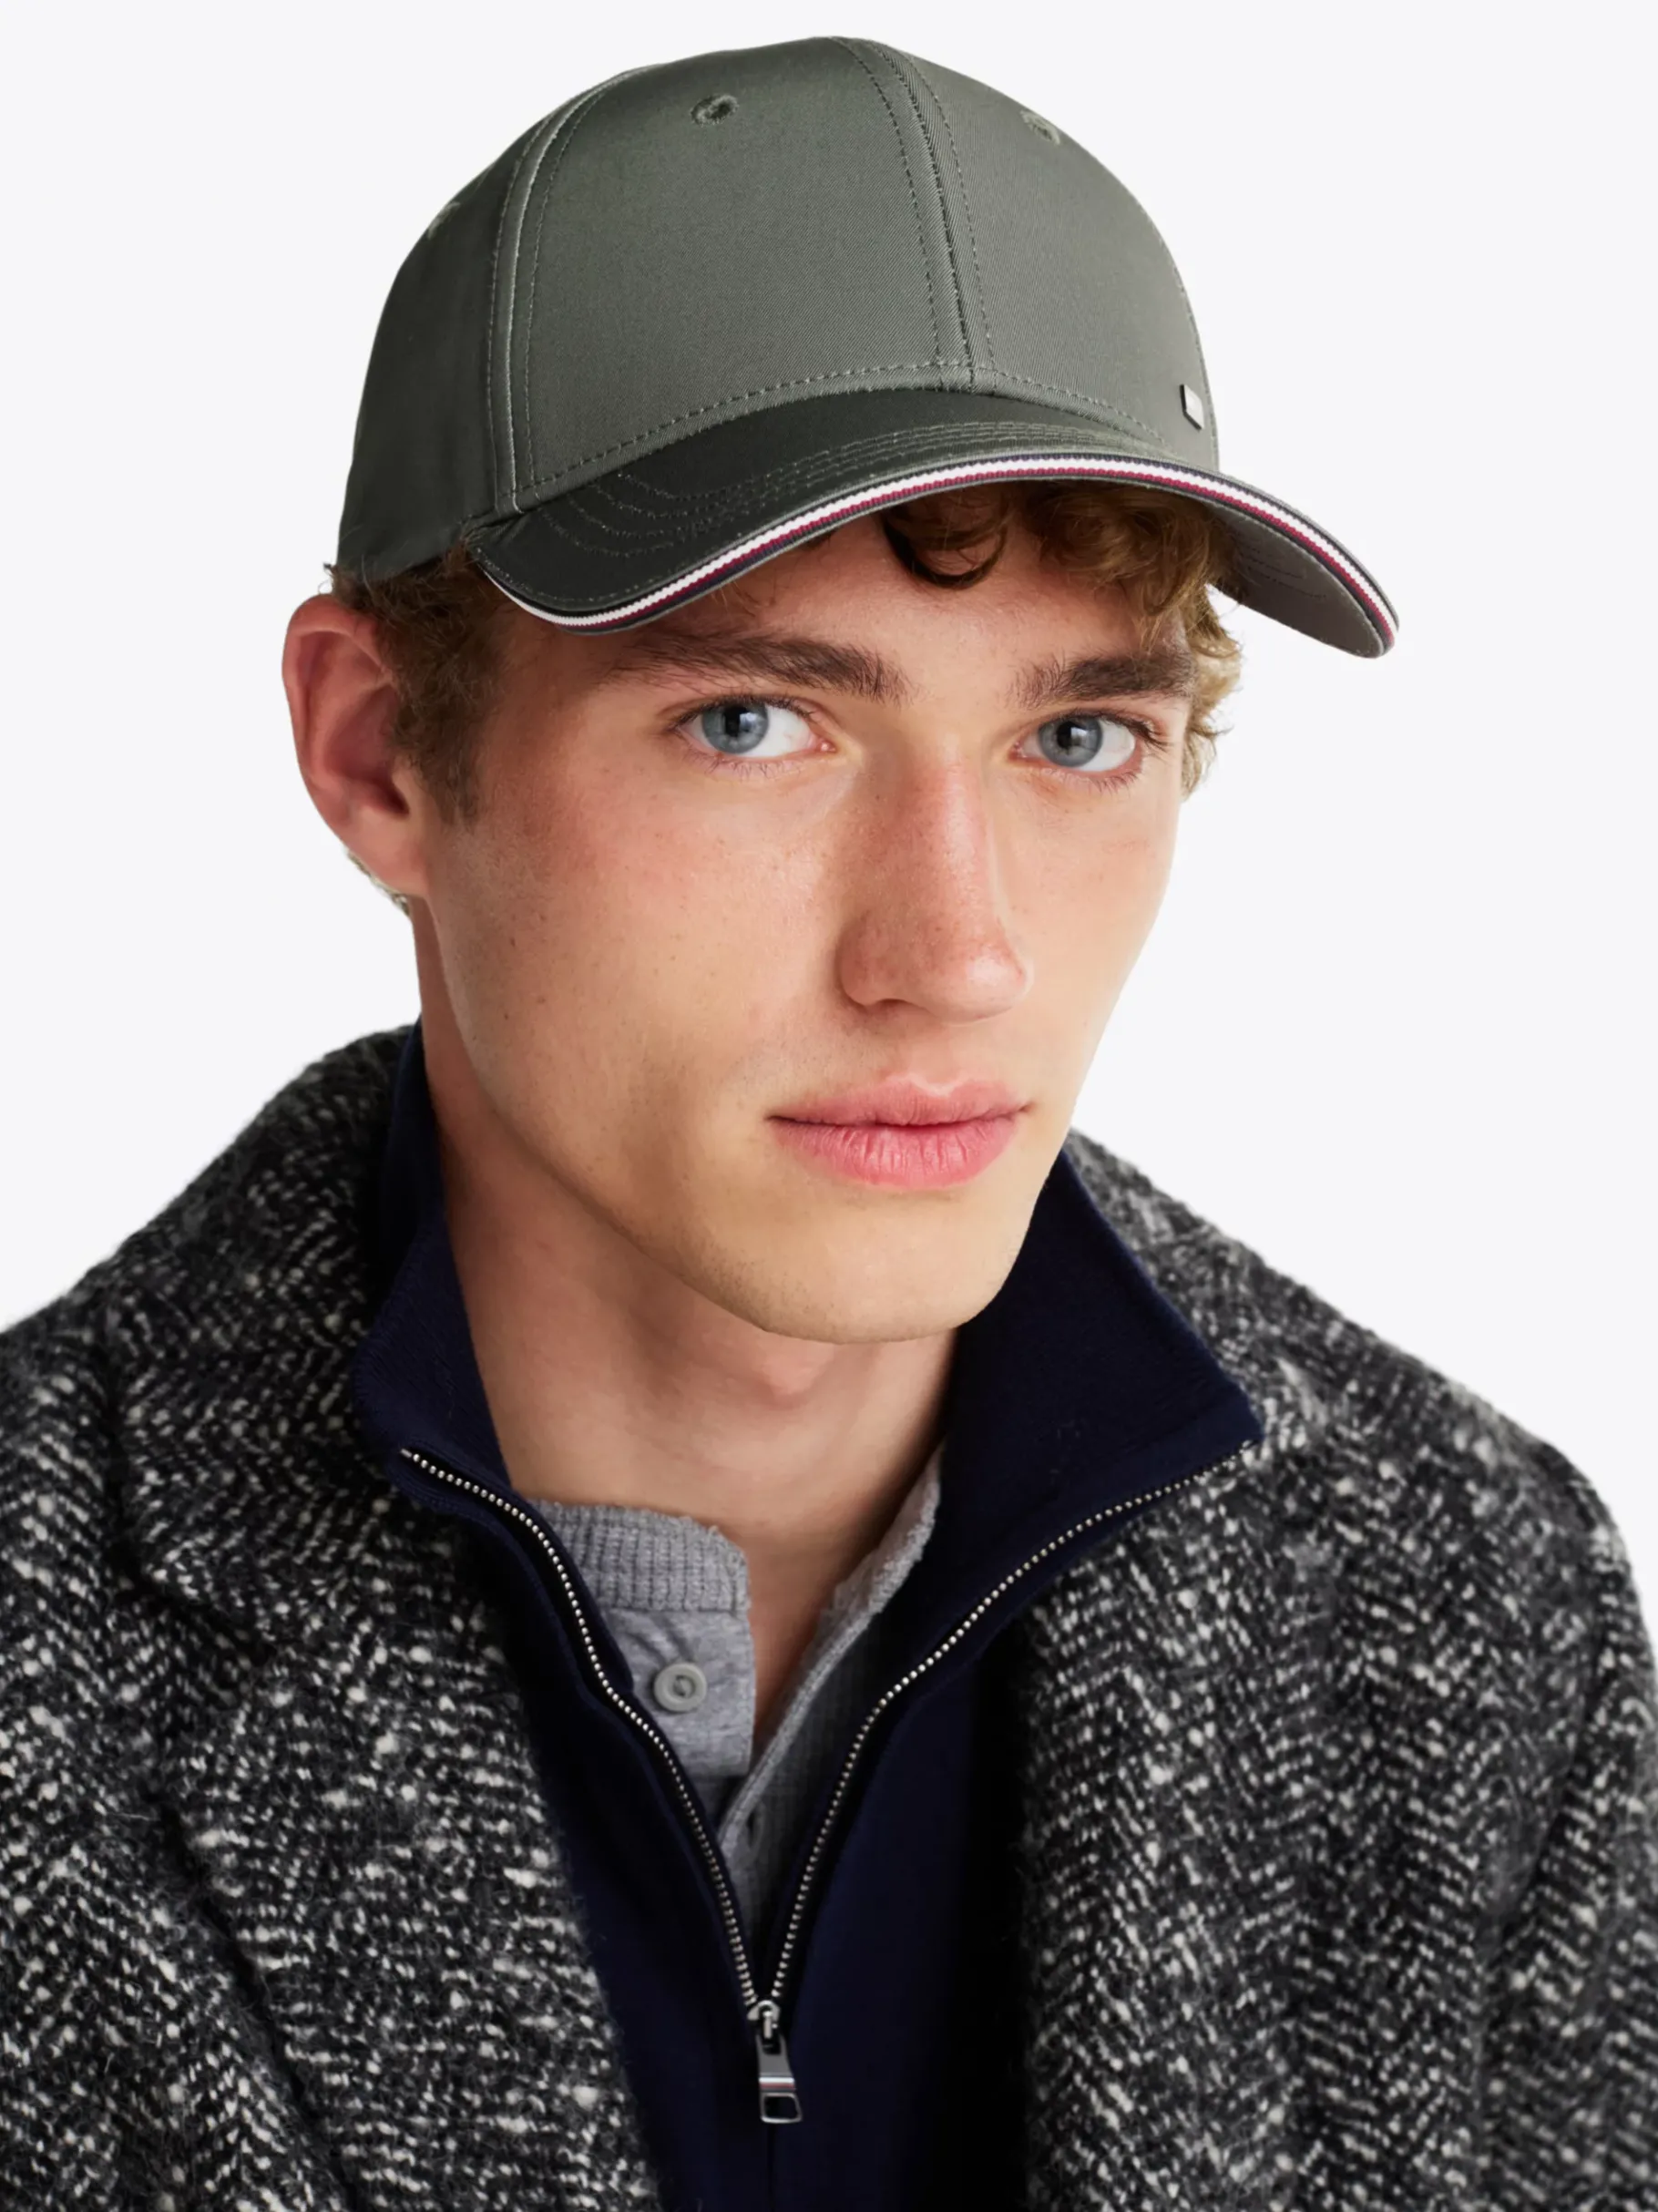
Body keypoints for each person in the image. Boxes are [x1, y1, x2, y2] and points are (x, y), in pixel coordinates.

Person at [2, 34, 1654, 2212]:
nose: (954, 955)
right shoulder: (37, 1652)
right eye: (753, 722)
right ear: (384, 753)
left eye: (1078, 735)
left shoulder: (1467, 1597)